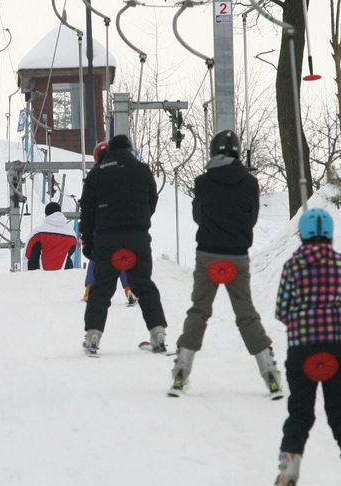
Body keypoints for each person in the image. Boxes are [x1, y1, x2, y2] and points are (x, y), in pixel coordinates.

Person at [171, 130, 281, 397]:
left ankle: (182, 371)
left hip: (207, 255)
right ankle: (269, 373)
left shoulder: (202, 182)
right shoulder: (250, 183)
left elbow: (198, 215)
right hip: (237, 256)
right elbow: (251, 218)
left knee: (199, 310)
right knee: (246, 314)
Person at [269, 207, 341, 486]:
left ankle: (286, 481)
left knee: (301, 413)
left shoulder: (293, 265)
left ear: (303, 234)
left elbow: (281, 309)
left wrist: (300, 322)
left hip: (302, 349)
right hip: (336, 348)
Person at [79, 135, 167, 355]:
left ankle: (92, 337)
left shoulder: (96, 174)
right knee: (144, 285)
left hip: (106, 238)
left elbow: (87, 212)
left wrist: (88, 241)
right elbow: (152, 200)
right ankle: (158, 334)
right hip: (137, 236)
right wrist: (139, 219)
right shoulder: (142, 169)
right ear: (129, 149)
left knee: (101, 288)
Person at [25, 202, 78, 271]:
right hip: (64, 277)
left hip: (39, 277)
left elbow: (28, 256)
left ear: (46, 214)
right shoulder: (71, 234)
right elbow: (71, 250)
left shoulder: (38, 232)